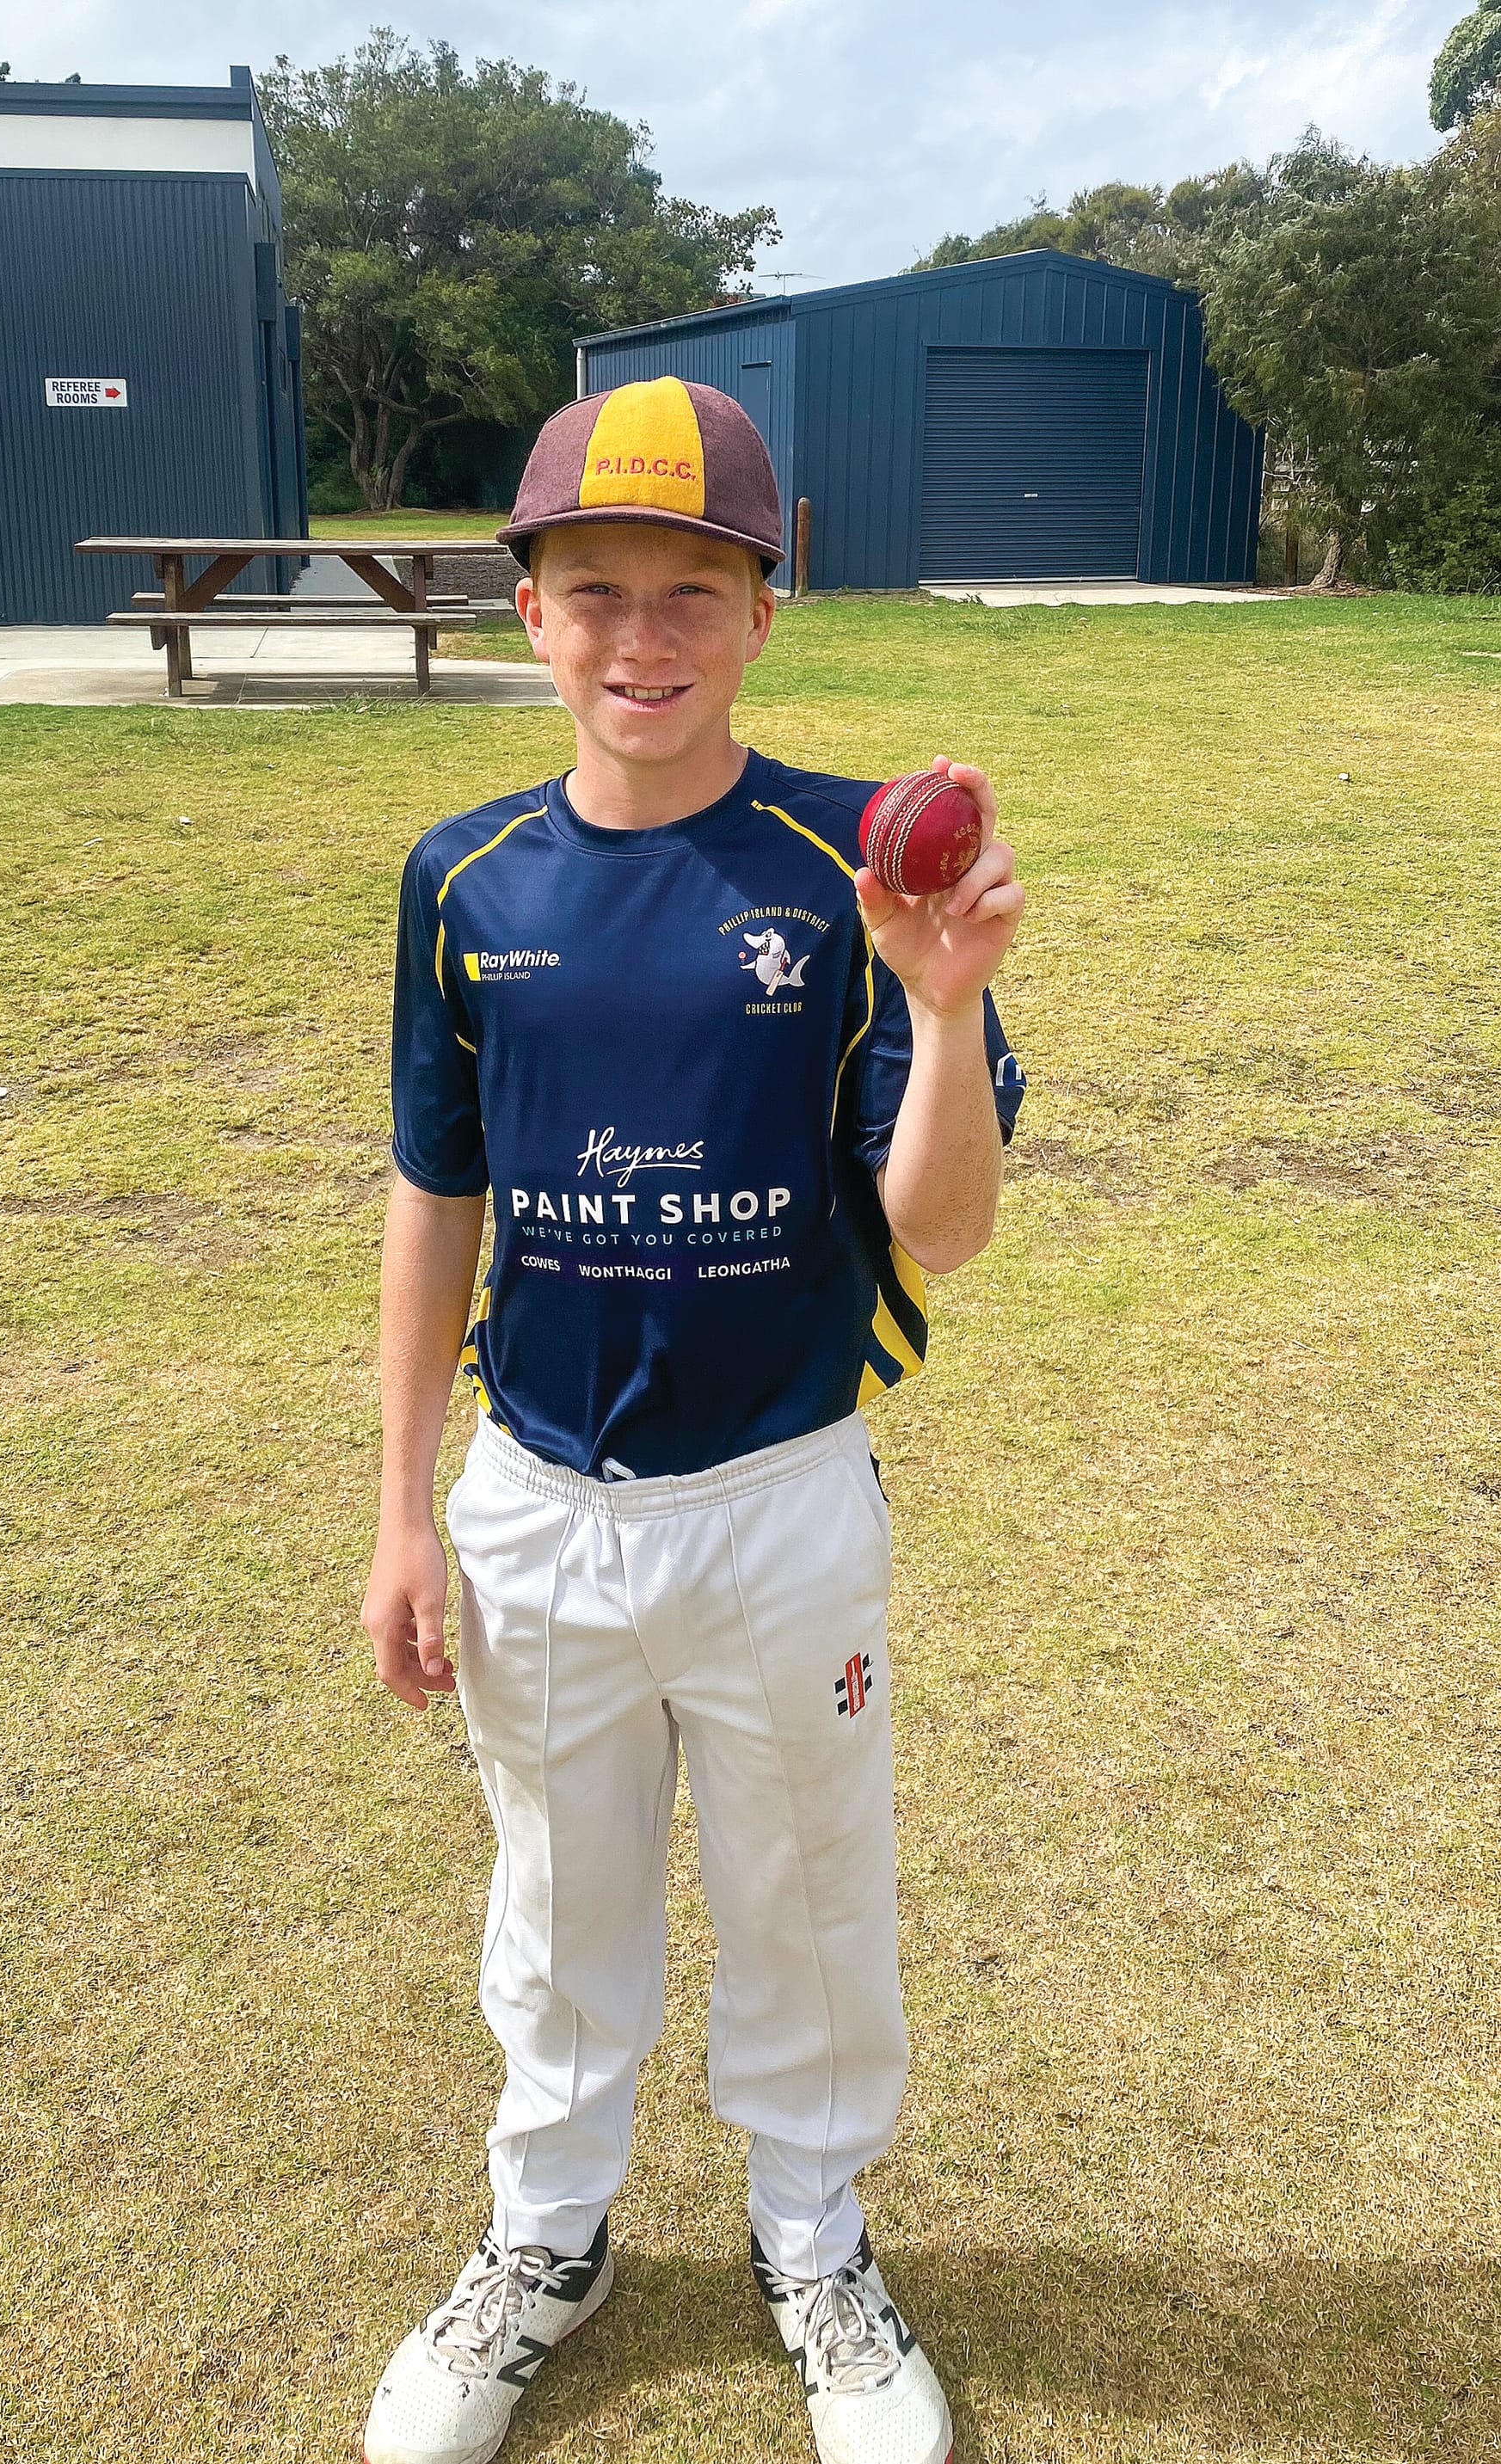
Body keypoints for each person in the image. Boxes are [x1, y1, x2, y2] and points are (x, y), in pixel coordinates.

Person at [360, 375, 1025, 2464]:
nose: (639, 637)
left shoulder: (852, 860)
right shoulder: (462, 874)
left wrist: (933, 1002)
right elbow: (434, 1189)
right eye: (592, 590)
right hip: (538, 1498)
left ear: (761, 610)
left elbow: (941, 1228)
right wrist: (401, 1509)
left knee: (811, 1881)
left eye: (689, 591)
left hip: (779, 1492)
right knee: (559, 1890)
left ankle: (812, 2235)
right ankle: (545, 2234)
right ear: (527, 615)